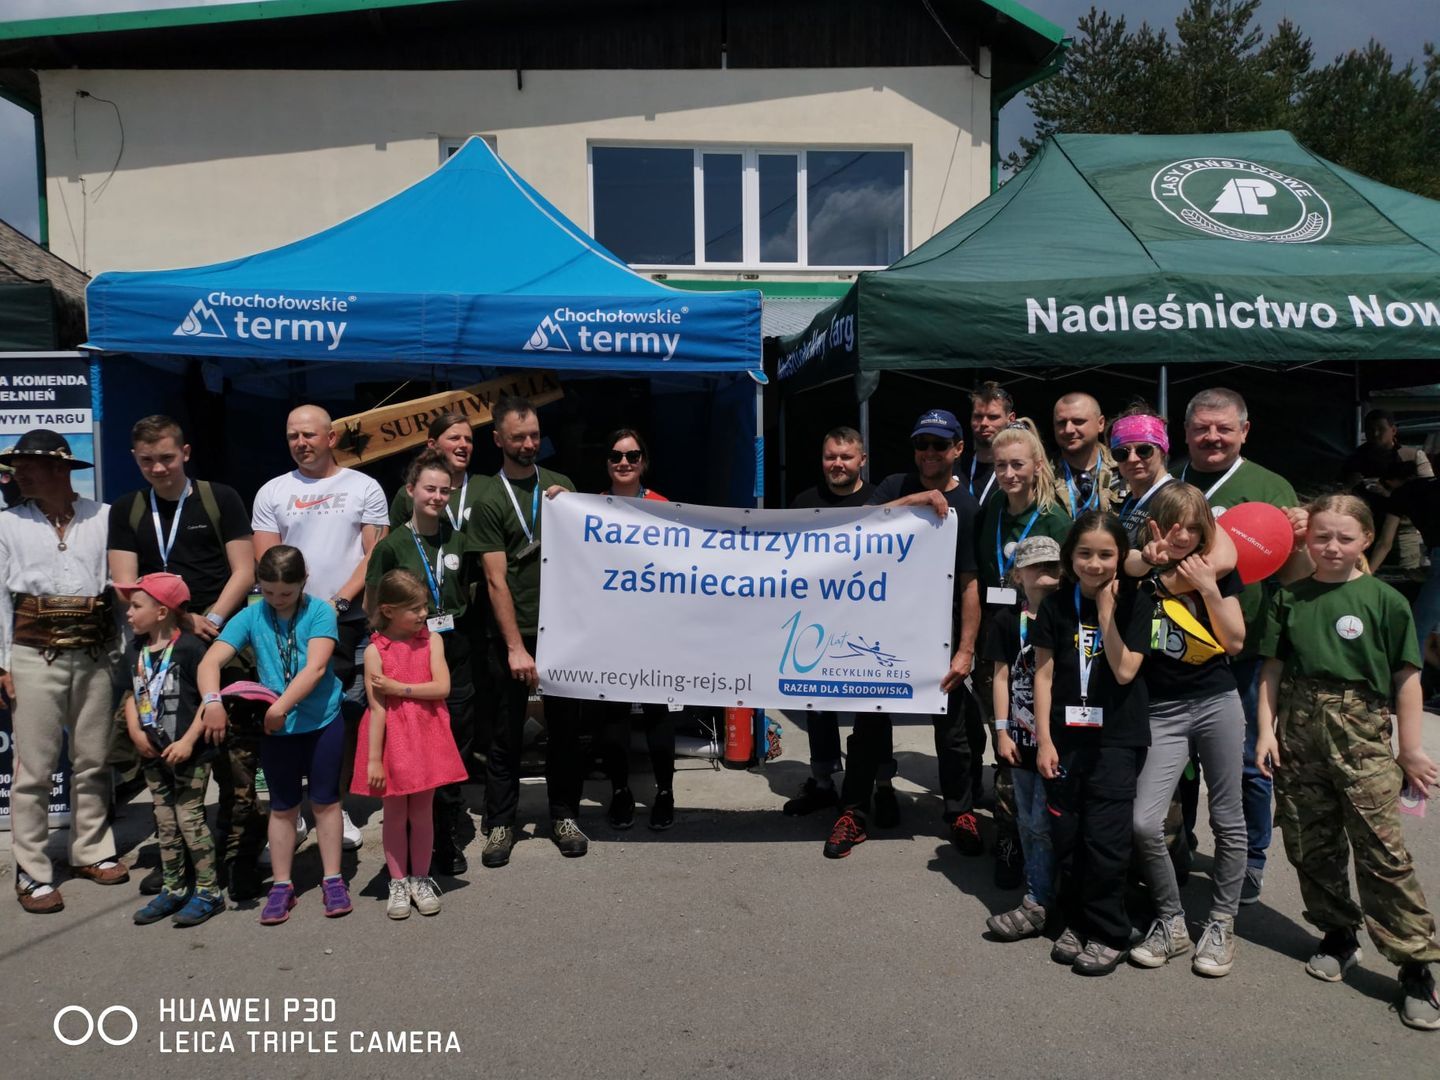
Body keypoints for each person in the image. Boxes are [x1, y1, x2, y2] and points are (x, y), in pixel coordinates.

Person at [1255, 494, 1440, 1031]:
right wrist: (1265, 732)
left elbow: (1408, 678)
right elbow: (1271, 670)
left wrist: (1410, 749)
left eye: (1344, 537)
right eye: (1321, 536)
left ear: (1366, 540)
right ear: (1307, 539)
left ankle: (1415, 966)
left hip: (1361, 731)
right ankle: (1338, 935)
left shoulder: (1385, 601)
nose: (1332, 547)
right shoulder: (1289, 597)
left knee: (1382, 851)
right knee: (1310, 841)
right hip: (1298, 729)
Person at [107, 414, 260, 898]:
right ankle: (183, 860)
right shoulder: (128, 509)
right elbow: (124, 585)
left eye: (167, 458)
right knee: (167, 758)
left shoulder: (221, 498)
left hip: (220, 641)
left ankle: (237, 857)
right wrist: (177, 618)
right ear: (135, 459)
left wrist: (206, 618)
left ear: (186, 453)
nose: (158, 468)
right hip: (159, 651)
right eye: (147, 460)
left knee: (235, 761)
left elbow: (244, 570)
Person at [823, 408, 981, 858]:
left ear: (957, 449)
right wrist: (918, 499)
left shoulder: (969, 506)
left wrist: (965, 650)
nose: (929, 452)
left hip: (938, 638)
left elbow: (970, 583)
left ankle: (960, 812)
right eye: (921, 444)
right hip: (883, 637)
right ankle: (853, 813)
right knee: (868, 728)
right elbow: (861, 523)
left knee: (952, 733)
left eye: (939, 444)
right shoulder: (895, 485)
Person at [1177, 387, 1306, 906]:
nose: (1212, 437)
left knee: (1251, 762)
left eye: (1224, 428)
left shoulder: (1271, 488)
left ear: (1244, 431)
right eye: (1202, 428)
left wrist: (1302, 539)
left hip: (1245, 651)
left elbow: (1294, 576)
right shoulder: (1171, 481)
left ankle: (1251, 858)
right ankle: (1177, 843)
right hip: (1176, 650)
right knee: (1178, 759)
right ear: (1186, 432)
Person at [1, 430, 128, 914]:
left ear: (59, 469)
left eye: (28, 466)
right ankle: (31, 870)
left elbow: (120, 588)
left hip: (96, 654)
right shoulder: (7, 523)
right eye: (16, 466)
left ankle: (90, 850)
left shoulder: (105, 517)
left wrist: (124, 654)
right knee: (33, 770)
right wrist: (1, 662)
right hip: (32, 654)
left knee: (93, 759)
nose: (18, 475)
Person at [252, 404, 389, 852]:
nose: (300, 443)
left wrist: (339, 602)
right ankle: (289, 811)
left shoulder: (364, 487)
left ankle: (333, 804)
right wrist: (297, 608)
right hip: (286, 619)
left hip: (346, 618)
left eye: (309, 435)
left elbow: (375, 556)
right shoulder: (272, 491)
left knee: (340, 715)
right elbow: (266, 560)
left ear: (331, 438)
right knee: (287, 712)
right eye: (293, 435)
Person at [1127, 483, 1248, 978]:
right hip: (1162, 710)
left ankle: (1221, 923)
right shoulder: (1141, 570)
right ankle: (1172, 920)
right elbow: (1125, 567)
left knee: (1228, 819)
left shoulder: (1215, 569)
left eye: (1194, 528)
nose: (1182, 536)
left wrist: (1209, 588)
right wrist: (1147, 560)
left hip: (1217, 700)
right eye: (1174, 525)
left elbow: (1235, 642)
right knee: (1144, 822)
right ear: (1155, 523)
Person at [198, 545, 350, 924]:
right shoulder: (252, 614)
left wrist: (280, 707)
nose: (277, 600)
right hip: (276, 728)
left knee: (325, 801)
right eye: (268, 592)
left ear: (303, 582)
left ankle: (333, 878)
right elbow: (211, 660)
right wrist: (212, 700)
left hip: (320, 721)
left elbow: (316, 668)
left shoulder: (320, 612)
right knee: (282, 806)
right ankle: (282, 885)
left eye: (286, 593)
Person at [1034, 511, 1152, 976]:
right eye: (1084, 553)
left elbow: (1124, 671)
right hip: (1064, 738)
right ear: (1070, 557)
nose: (1095, 564)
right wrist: (1044, 740)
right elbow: (1043, 676)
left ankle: (1110, 932)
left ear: (1121, 557)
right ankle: (1078, 921)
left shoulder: (1137, 603)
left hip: (1116, 741)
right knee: (1068, 836)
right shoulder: (1054, 605)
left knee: (1105, 841)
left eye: (1106, 554)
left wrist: (1105, 612)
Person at [473, 396, 587, 865]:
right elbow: (495, 580)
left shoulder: (561, 486)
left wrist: (574, 509)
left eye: (534, 435)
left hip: (562, 632)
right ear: (498, 439)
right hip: (513, 634)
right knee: (505, 734)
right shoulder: (488, 497)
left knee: (565, 731)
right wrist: (516, 647)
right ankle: (501, 822)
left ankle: (564, 815)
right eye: (518, 436)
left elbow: (587, 554)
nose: (528, 444)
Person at [367, 450, 482, 875]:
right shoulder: (392, 545)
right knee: (409, 745)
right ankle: (409, 842)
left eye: (444, 490)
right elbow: (374, 603)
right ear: (411, 490)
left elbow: (468, 589)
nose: (437, 497)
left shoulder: (458, 540)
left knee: (451, 743)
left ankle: (444, 837)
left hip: (453, 648)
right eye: (429, 489)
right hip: (408, 652)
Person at [973, 421, 1072, 885]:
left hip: (1042, 637)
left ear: (1036, 466)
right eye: (1001, 466)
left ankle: (1050, 850)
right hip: (1001, 632)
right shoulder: (993, 507)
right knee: (1007, 739)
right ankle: (1010, 838)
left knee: (1042, 738)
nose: (1009, 474)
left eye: (1017, 465)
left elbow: (1068, 581)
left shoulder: (1054, 518)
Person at [357, 569, 468, 919]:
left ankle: (421, 878)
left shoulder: (431, 641)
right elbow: (377, 709)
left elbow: (442, 688)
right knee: (394, 814)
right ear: (388, 610)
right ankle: (398, 881)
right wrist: (374, 760)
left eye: (424, 606)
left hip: (426, 735)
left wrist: (399, 688)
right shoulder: (375, 651)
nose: (423, 614)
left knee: (422, 812)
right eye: (415, 608)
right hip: (393, 739)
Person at [783, 426, 881, 819]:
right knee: (817, 703)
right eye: (830, 457)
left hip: (868, 622)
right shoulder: (804, 503)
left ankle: (881, 785)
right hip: (816, 623)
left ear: (862, 460)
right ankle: (822, 782)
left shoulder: (882, 502)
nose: (837, 464)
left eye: (846, 456)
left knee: (874, 705)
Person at [119, 573, 225, 927]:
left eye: (136, 606)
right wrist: (136, 731)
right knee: (165, 821)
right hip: (154, 753)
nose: (129, 613)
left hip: (189, 753)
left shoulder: (191, 648)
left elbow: (208, 701)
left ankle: (208, 891)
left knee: (189, 819)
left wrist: (189, 740)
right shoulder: (135, 650)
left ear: (162, 612)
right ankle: (174, 887)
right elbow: (131, 693)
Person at [981, 536, 1062, 941]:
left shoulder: (1069, 615)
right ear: (1018, 575)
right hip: (1020, 737)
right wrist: (1001, 731)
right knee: (1028, 821)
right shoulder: (1007, 620)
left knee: (1050, 822)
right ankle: (1036, 893)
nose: (1045, 572)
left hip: (1057, 740)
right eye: (1035, 565)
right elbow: (1000, 677)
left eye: (1053, 564)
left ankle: (1048, 896)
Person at [597, 428, 678, 831]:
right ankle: (620, 791)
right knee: (613, 718)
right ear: (607, 462)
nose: (624, 463)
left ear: (644, 461)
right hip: (611, 630)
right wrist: (559, 502)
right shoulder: (590, 509)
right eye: (616, 456)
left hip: (654, 630)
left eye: (632, 456)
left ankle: (664, 792)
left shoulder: (663, 506)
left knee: (658, 714)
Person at [1369, 464, 1440, 651]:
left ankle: (1412, 671)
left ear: (1392, 481)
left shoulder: (1404, 493)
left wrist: (1366, 575)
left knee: (1417, 633)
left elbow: (1385, 543)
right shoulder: (1427, 486)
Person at [387, 411, 490, 529]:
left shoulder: (487, 487)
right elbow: (396, 539)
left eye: (468, 440)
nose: (464, 445)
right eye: (454, 438)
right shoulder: (410, 494)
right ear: (432, 445)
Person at [1052, 392, 1123, 516]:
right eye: (1061, 423)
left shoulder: (1125, 467)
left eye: (1078, 421)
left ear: (1100, 424)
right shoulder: (1042, 474)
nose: (1068, 430)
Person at [966, 382, 1015, 506]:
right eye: (978, 416)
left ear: (1010, 419)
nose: (984, 423)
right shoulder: (955, 467)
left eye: (993, 417)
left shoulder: (1018, 470)